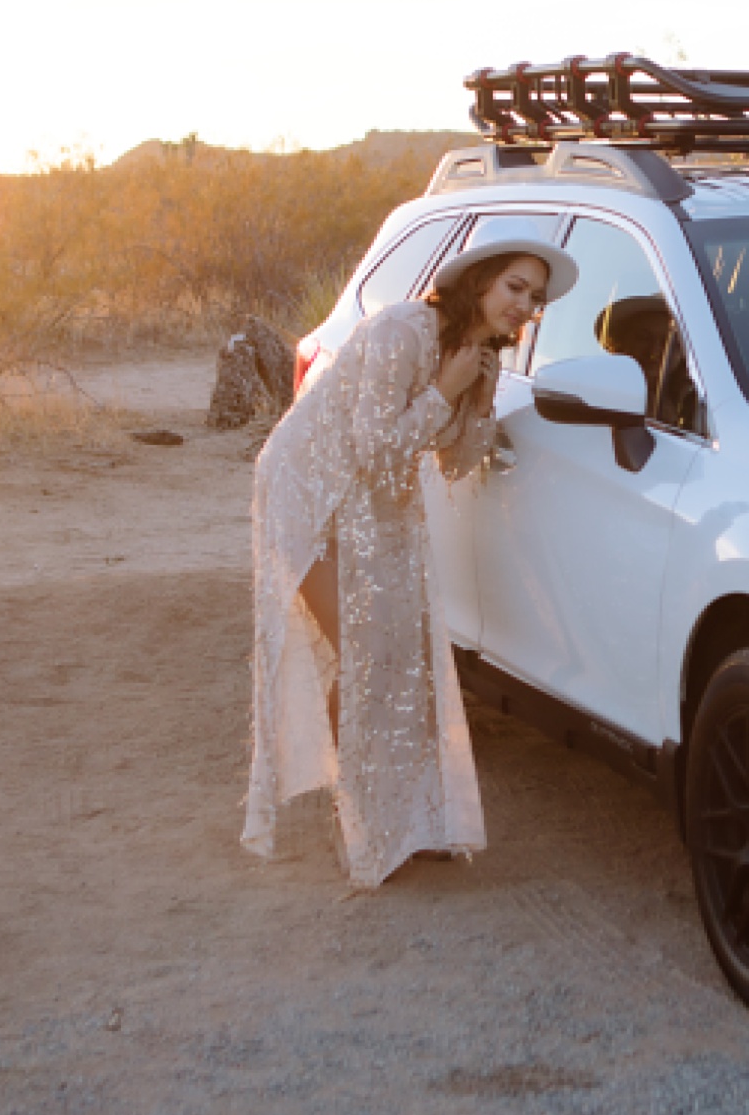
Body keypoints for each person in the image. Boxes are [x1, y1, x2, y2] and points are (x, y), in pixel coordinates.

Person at [244, 236, 578, 886]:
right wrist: (442, 389)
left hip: (377, 504)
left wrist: (477, 397)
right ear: (478, 280)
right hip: (310, 489)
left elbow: (454, 460)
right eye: (515, 286)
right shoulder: (404, 329)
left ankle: (409, 815)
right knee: (367, 652)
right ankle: (366, 821)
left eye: (535, 297)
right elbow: (375, 449)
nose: (525, 305)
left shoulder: (478, 360)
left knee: (403, 655)